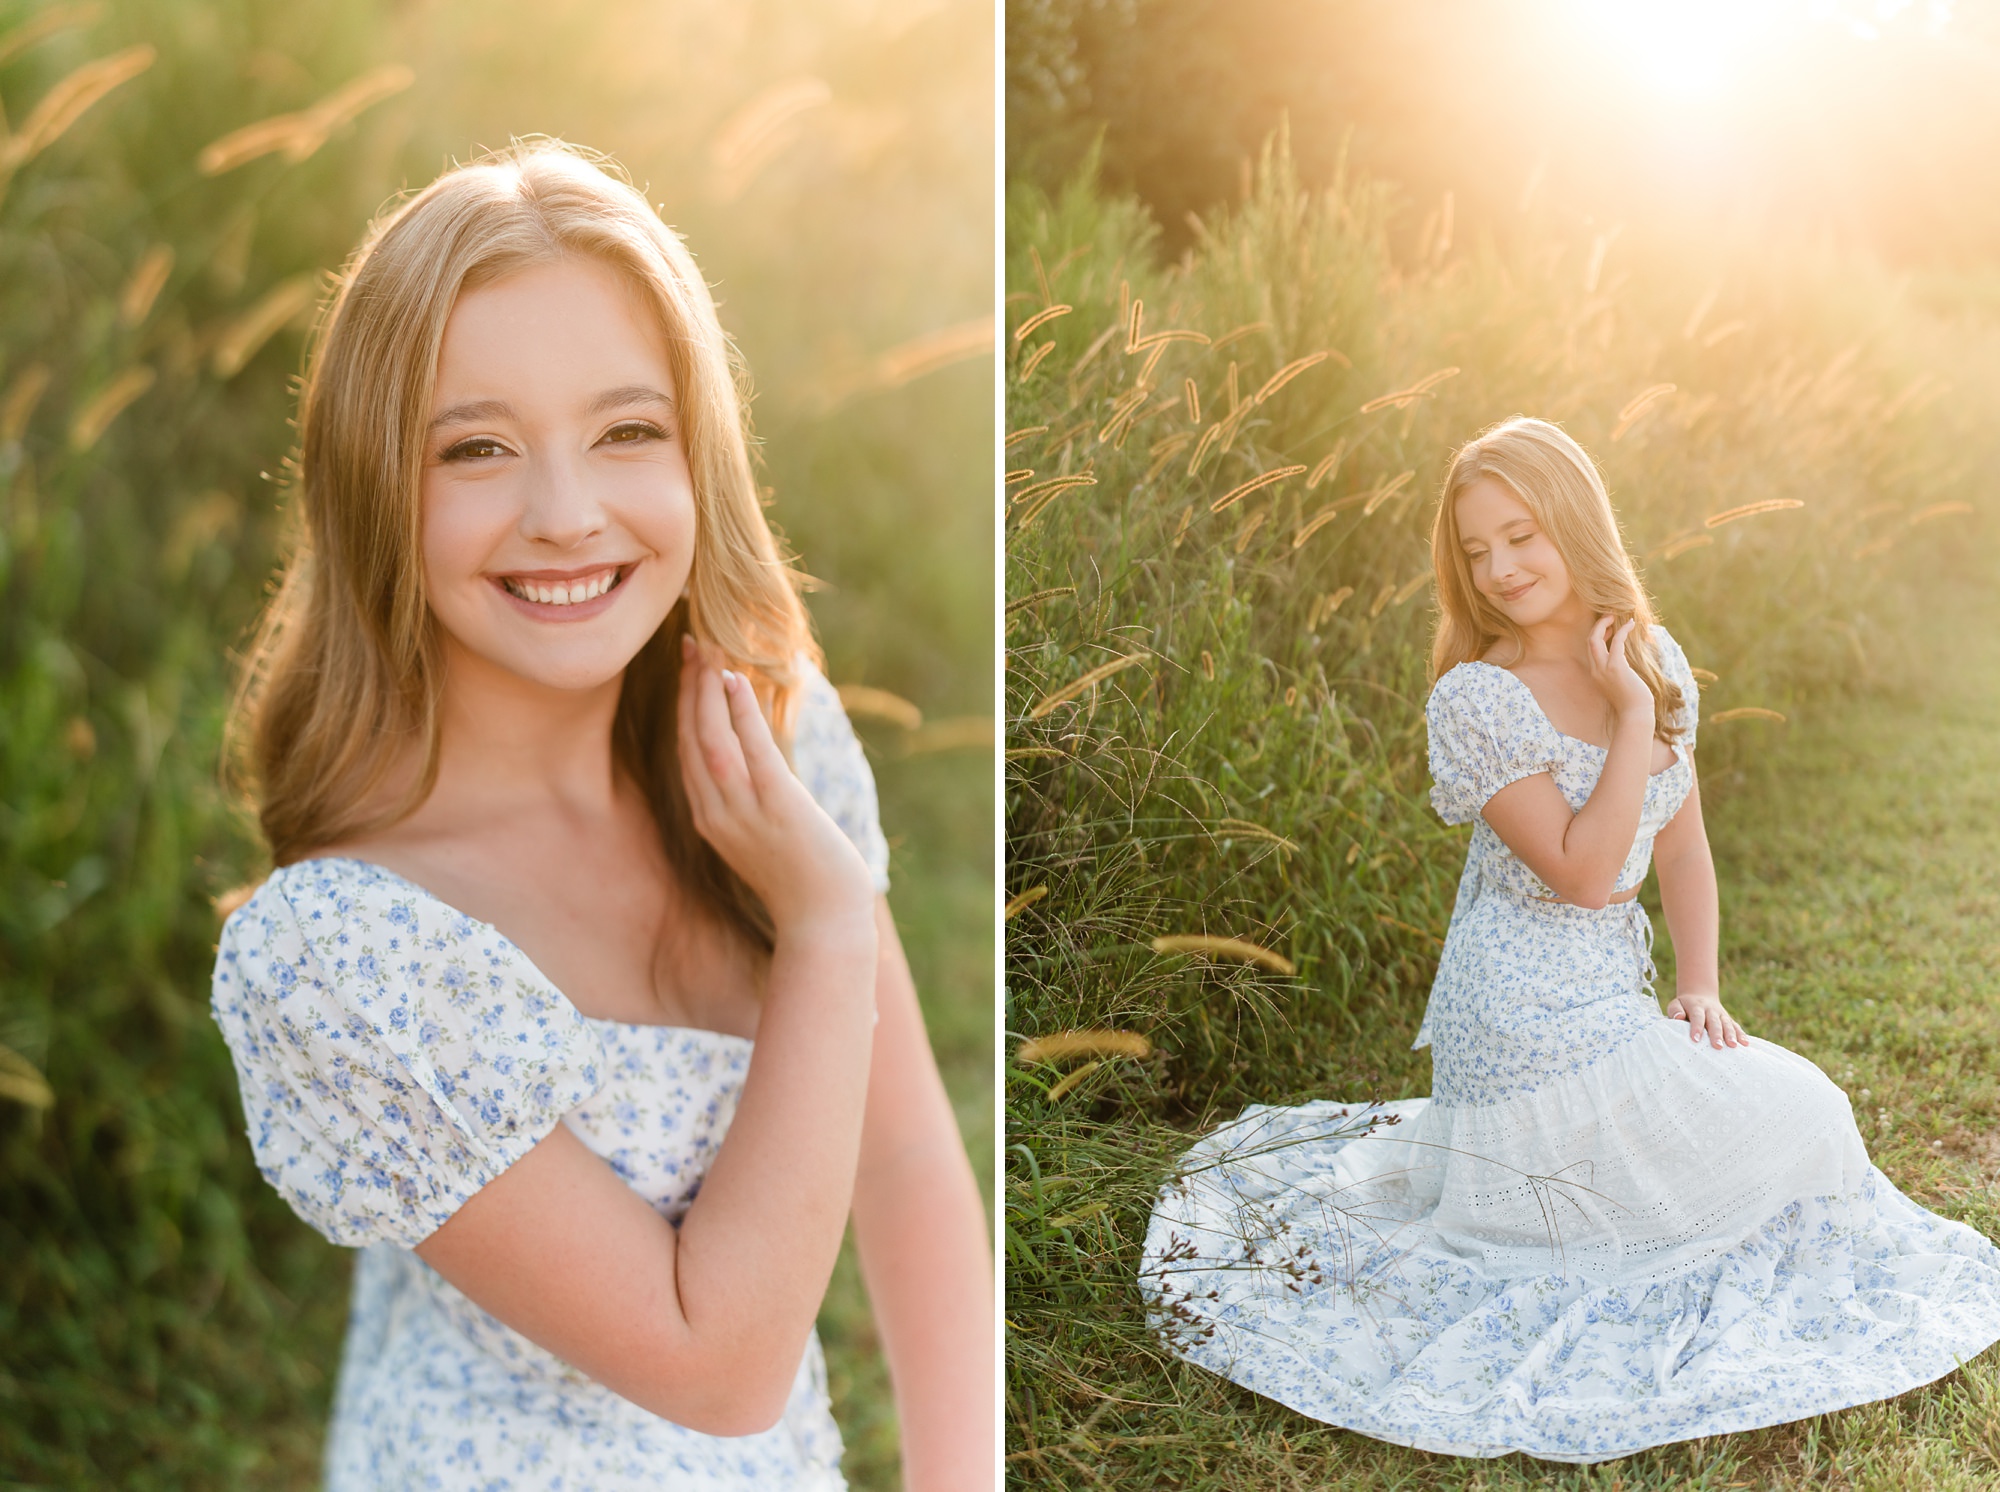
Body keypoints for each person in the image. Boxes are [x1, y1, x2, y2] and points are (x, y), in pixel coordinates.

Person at [208, 141, 990, 1490]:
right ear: (373, 485)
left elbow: (911, 1153)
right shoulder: (343, 950)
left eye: (627, 430)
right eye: (477, 448)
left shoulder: (766, 734)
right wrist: (820, 932)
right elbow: (719, 1363)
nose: (566, 515)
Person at [1142, 415, 2000, 1462]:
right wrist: (1630, 714)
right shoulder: (1476, 696)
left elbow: (1680, 846)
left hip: (1613, 1006)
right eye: (1474, 550)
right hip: (1517, 1025)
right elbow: (1590, 875)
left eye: (1521, 535)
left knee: (1806, 1116)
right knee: (1802, 1119)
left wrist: (1700, 983)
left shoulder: (1650, 655)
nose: (1499, 568)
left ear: (1573, 525)